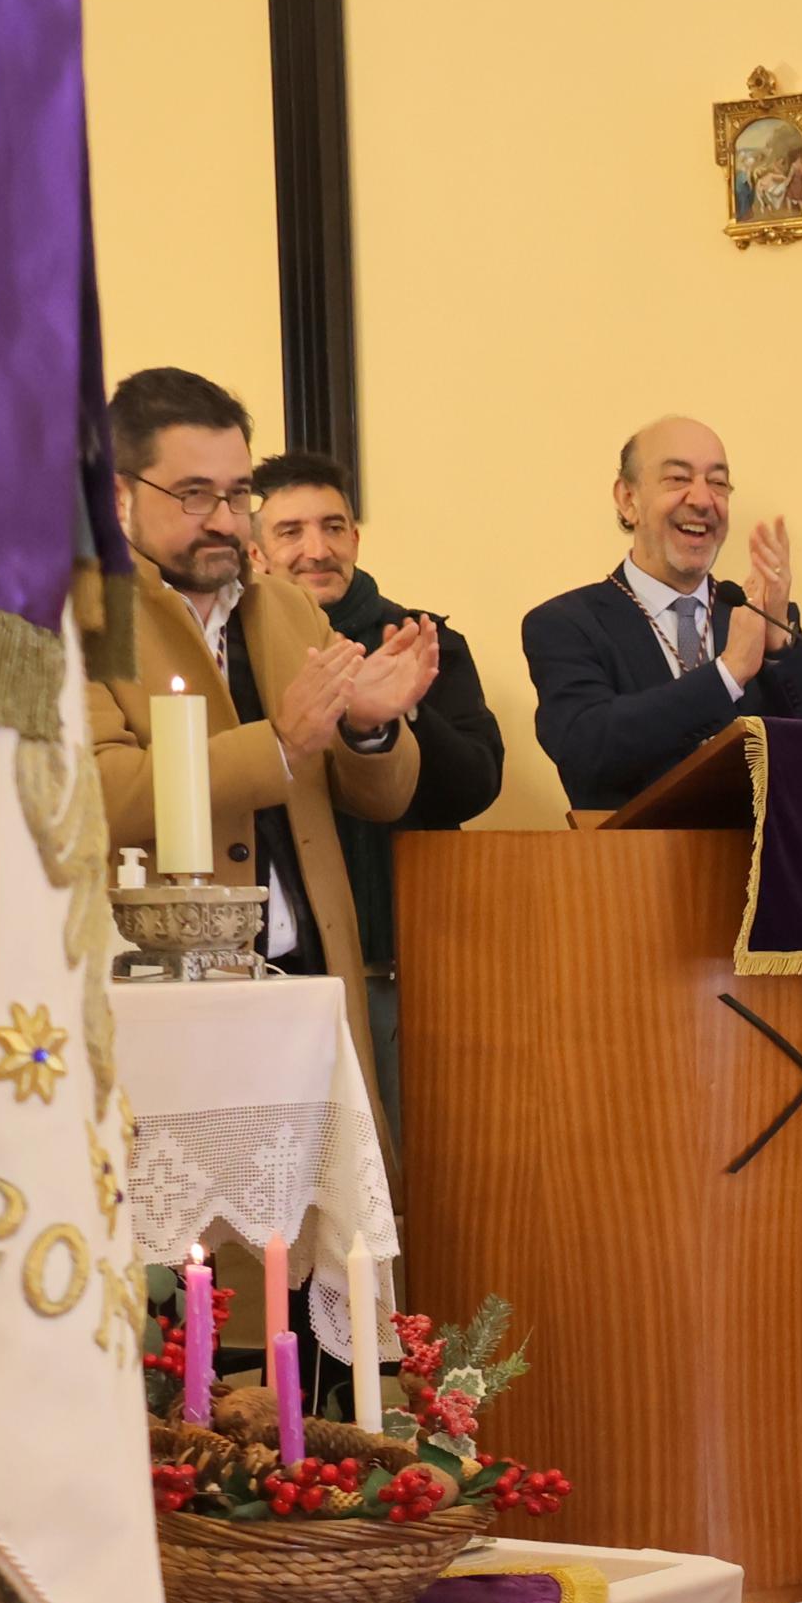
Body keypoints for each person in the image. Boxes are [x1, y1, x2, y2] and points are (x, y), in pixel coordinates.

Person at [85, 368, 435, 1098]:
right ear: (119, 494)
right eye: (193, 495)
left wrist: (371, 728)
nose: (224, 519)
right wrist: (276, 745)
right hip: (168, 999)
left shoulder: (286, 608)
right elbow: (98, 797)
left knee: (319, 1209)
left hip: (307, 977)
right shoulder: (75, 615)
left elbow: (381, 798)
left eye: (239, 493)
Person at [252, 449, 505, 1128]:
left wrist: (398, 703)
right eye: (291, 531)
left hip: (404, 966)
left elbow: (477, 786)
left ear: (357, 539)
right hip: (278, 968)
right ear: (255, 550)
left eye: (334, 527)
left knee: (409, 1177)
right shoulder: (238, 655)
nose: (317, 548)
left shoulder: (422, 639)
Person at [521, 415, 802, 812]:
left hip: (765, 867)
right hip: (633, 866)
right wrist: (727, 674)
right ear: (627, 499)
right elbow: (588, 751)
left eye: (718, 483)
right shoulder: (566, 624)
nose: (703, 500)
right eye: (677, 479)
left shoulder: (754, 617)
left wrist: (780, 647)